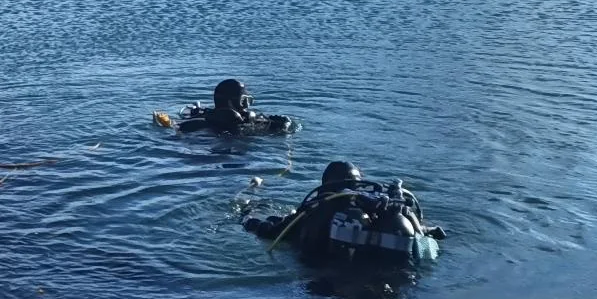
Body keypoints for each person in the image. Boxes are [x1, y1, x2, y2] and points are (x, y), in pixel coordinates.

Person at [243, 160, 443, 263]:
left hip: (327, 282)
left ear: (325, 187)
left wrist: (247, 217)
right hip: (388, 277)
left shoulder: (318, 209)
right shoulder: (378, 209)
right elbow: (424, 234)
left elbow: (272, 232)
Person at [179, 78, 293, 135]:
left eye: (248, 101)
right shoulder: (243, 125)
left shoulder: (202, 118)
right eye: (244, 100)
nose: (246, 105)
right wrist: (284, 124)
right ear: (230, 102)